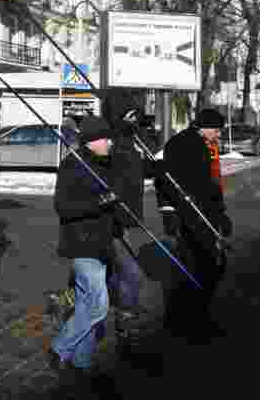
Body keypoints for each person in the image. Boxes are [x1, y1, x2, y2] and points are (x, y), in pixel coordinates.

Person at [47, 115, 121, 385]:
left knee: (86, 304)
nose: (110, 142)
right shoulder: (72, 165)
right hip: (81, 244)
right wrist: (99, 202)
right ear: (92, 141)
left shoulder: (101, 163)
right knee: (98, 306)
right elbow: (63, 207)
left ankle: (82, 362)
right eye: (106, 138)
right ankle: (60, 347)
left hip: (100, 244)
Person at [157, 108, 233, 343]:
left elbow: (208, 186)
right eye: (217, 130)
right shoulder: (186, 146)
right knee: (202, 269)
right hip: (193, 219)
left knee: (203, 268)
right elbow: (169, 182)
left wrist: (220, 214)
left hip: (199, 216)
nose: (218, 135)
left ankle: (187, 318)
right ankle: (192, 321)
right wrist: (169, 212)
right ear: (206, 127)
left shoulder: (197, 144)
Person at [100, 90, 151, 349]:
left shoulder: (131, 141)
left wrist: (155, 169)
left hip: (128, 218)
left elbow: (134, 176)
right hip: (113, 221)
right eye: (130, 115)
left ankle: (69, 300)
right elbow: (107, 185)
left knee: (109, 273)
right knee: (131, 273)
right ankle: (125, 321)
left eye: (135, 115)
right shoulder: (110, 145)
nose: (135, 119)